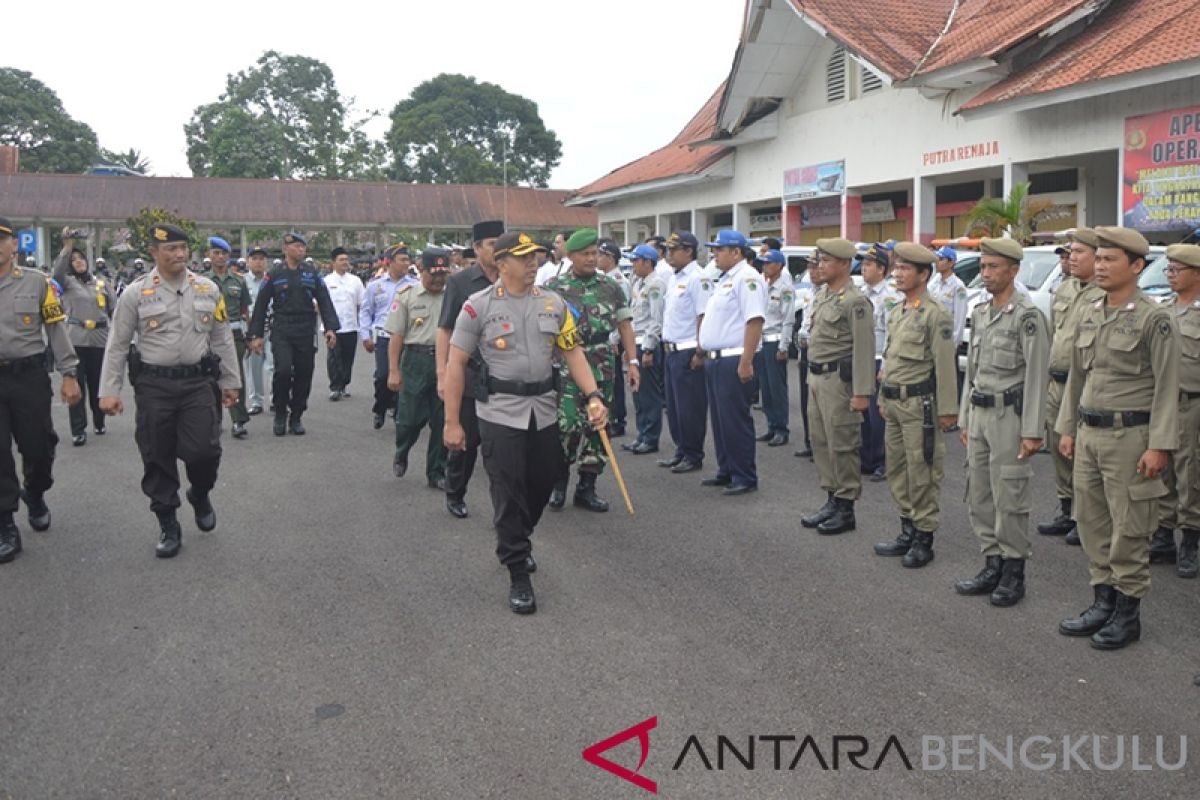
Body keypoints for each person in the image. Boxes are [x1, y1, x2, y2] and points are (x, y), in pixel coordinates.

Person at [444, 232, 607, 614]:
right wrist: (453, 421)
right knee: (507, 489)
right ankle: (518, 569)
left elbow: (573, 352)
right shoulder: (476, 306)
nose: (533, 263)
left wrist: (594, 396)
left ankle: (519, 534)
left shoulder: (554, 303)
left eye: (535, 256)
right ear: (501, 264)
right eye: (523, 258)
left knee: (541, 482)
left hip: (544, 409)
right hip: (499, 412)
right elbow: (456, 365)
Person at [1057, 226, 1179, 650]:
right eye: (1100, 258)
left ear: (1137, 266)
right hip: (1089, 433)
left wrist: (1159, 444)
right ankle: (1101, 601)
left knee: (1130, 527)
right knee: (1091, 522)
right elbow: (1077, 376)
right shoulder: (1090, 310)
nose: (1101, 266)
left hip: (1131, 437)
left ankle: (1127, 614)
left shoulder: (1154, 318)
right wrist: (1068, 427)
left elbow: (1168, 387)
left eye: (1110, 259)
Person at [97, 223, 241, 559]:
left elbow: (221, 337)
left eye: (182, 248)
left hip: (197, 384)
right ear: (154, 253)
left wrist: (230, 382)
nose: (178, 255)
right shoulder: (135, 293)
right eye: (170, 249)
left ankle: (200, 492)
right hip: (154, 386)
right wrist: (109, 389)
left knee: (205, 451)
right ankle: (168, 522)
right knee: (157, 454)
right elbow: (118, 343)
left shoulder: (207, 289)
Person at [955, 238, 1050, 606]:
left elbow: (1037, 376)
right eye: (983, 266)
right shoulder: (981, 311)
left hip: (1009, 416)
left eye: (994, 267)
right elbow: (973, 371)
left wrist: (1032, 431)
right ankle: (991, 561)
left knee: (1009, 493)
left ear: (1013, 270)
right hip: (979, 414)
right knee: (979, 491)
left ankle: (1013, 571)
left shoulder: (1027, 316)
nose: (986, 273)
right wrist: (965, 417)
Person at [872, 242, 959, 566]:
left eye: (905, 269)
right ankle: (906, 529)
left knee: (922, 472)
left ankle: (924, 537)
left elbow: (945, 366)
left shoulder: (935, 315)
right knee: (897, 470)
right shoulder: (899, 311)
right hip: (894, 403)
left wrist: (948, 410)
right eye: (896, 268)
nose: (897, 273)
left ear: (924, 274)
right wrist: (882, 398)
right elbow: (890, 361)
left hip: (919, 405)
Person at [0, 216, 81, 564]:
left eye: (1, 239)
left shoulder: (37, 283)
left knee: (38, 447)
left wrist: (69, 372)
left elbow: (56, 328)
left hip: (28, 377)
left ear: (13, 245)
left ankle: (35, 491)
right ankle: (6, 523)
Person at [545, 229, 639, 512]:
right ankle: (558, 480)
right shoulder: (555, 287)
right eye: (585, 254)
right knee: (568, 424)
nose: (591, 258)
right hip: (568, 363)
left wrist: (632, 362)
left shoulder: (611, 286)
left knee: (600, 427)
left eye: (594, 253)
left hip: (603, 362)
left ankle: (587, 486)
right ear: (571, 256)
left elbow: (625, 326)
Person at [800, 238, 875, 535]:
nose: (820, 266)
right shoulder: (823, 296)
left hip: (838, 382)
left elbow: (864, 350)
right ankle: (831, 498)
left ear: (844, 264)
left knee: (843, 443)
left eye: (827, 261)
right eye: (820, 260)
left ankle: (846, 506)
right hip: (816, 378)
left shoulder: (855, 302)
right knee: (821, 441)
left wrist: (861, 393)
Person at [1037, 229, 1102, 546]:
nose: (1071, 258)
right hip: (1057, 381)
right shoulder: (1063, 290)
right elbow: (1054, 335)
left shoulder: (1103, 293)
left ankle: (1085, 515)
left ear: (1096, 255)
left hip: (1085, 385)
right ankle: (1066, 508)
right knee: (1058, 446)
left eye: (1078, 252)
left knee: (1080, 451)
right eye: (1070, 252)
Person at [437, 220, 504, 519]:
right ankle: (455, 493)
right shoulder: (460, 283)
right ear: (477, 249)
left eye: (501, 243)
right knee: (466, 442)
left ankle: (504, 504)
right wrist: (443, 372)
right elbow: (445, 330)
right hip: (468, 373)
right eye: (491, 243)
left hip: (504, 376)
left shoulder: (513, 279)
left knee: (503, 447)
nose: (498, 249)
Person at [247, 233, 340, 436]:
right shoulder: (274, 274)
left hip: (305, 329)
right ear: (285, 249)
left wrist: (330, 328)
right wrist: (256, 335)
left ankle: (296, 415)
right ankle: (280, 412)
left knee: (304, 374)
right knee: (282, 372)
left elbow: (324, 300)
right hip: (282, 329)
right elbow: (261, 305)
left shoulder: (312, 273)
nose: (301, 250)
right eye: (296, 246)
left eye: (302, 247)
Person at [698, 231, 767, 494]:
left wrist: (746, 360)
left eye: (719, 249)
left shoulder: (747, 278)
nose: (715, 254)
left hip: (733, 358)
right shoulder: (726, 279)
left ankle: (744, 475)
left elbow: (755, 320)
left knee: (735, 419)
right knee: (719, 419)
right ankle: (726, 469)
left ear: (736, 252)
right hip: (716, 360)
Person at [1148, 243, 1200, 578]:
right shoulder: (1163, 310)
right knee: (1161, 469)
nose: (1170, 275)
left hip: (1193, 402)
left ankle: (1192, 538)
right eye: (1168, 269)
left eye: (1175, 270)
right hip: (1161, 403)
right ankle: (1163, 534)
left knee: (1191, 472)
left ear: (1196, 273)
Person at [386, 248, 450, 488]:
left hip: (445, 361)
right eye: (434, 274)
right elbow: (397, 336)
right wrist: (394, 370)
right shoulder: (407, 296)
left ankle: (437, 471)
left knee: (442, 419)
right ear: (422, 271)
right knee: (410, 419)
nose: (438, 280)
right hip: (415, 360)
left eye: (443, 275)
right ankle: (402, 451)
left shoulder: (453, 296)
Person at [656, 231, 713, 473]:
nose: (668, 255)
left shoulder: (698, 278)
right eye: (667, 250)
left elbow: (703, 315)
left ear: (688, 251)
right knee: (674, 406)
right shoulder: (674, 277)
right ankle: (681, 450)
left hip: (688, 350)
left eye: (673, 250)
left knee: (690, 408)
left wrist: (700, 352)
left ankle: (693, 454)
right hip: (671, 350)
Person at [52, 233, 114, 446]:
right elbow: (57, 271)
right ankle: (78, 429)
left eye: (81, 258)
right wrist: (67, 247)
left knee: (98, 385)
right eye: (74, 260)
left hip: (99, 340)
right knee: (76, 387)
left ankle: (99, 420)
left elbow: (113, 310)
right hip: (76, 341)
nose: (78, 262)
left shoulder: (102, 283)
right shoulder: (67, 282)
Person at [360, 244, 416, 429]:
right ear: (390, 262)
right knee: (383, 375)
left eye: (408, 260)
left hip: (408, 337)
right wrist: (365, 335)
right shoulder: (375, 286)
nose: (406, 264)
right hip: (384, 336)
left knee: (404, 376)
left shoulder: (415, 285)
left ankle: (400, 412)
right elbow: (366, 311)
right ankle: (380, 408)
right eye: (402, 260)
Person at [203, 236, 252, 439]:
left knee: (235, 375)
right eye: (216, 253)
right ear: (209, 255)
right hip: (207, 335)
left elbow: (245, 311)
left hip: (234, 334)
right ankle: (215, 419)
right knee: (210, 378)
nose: (220, 257)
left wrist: (250, 335)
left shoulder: (238, 281)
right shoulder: (201, 282)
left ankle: (238, 420)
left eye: (224, 253)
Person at [622, 244, 666, 454]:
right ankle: (642, 434)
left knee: (649, 394)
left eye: (635, 261)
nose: (633, 265)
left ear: (647, 262)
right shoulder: (638, 282)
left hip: (647, 344)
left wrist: (648, 349)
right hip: (635, 342)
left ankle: (651, 437)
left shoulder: (655, 284)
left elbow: (656, 319)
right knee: (637, 392)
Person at [754, 249, 795, 447]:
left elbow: (788, 319)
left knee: (777, 388)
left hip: (775, 341)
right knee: (766, 387)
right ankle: (771, 426)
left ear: (779, 265)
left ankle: (781, 428)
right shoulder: (763, 285)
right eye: (763, 263)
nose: (764, 267)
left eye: (768, 263)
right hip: (762, 341)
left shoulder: (785, 289)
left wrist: (784, 345)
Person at [929, 245, 970, 423]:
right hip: (933, 338)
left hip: (948, 340)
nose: (937, 263)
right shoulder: (934, 283)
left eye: (941, 259)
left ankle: (953, 415)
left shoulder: (957, 286)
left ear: (951, 262)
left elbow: (960, 315)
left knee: (950, 380)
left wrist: (955, 342)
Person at [597, 238, 631, 437]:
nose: (597, 259)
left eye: (601, 255)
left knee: (615, 381)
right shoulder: (605, 279)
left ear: (610, 258)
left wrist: (616, 339)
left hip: (614, 340)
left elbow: (623, 315)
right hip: (607, 338)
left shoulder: (618, 281)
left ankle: (619, 419)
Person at [324, 247, 366, 401]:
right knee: (334, 357)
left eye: (346, 260)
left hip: (351, 326)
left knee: (348, 357)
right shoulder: (326, 281)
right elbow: (319, 304)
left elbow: (363, 303)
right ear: (333, 263)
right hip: (332, 327)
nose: (345, 263)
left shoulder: (356, 281)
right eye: (341, 260)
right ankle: (335, 387)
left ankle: (344, 384)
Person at [793, 255, 820, 458]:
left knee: (819, 404)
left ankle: (820, 445)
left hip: (820, 355)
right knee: (805, 401)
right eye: (810, 266)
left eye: (816, 266)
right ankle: (809, 441)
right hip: (806, 352)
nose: (812, 271)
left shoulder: (830, 294)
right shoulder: (810, 293)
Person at [242, 247, 272, 415]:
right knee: (253, 368)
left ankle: (275, 399)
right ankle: (256, 401)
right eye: (255, 258)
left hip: (272, 329)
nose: (258, 261)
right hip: (252, 331)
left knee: (274, 365)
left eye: (262, 258)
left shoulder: (272, 280)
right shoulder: (242, 281)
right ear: (248, 262)